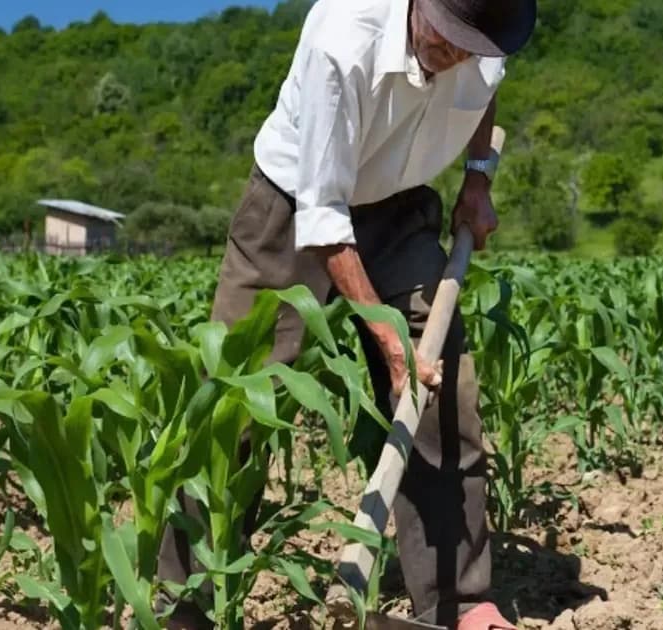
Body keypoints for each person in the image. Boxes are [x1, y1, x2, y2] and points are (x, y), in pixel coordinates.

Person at [154, 0, 537, 628]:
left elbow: (482, 95)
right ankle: (181, 607)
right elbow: (324, 219)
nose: (460, 57)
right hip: (295, 207)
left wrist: (476, 180)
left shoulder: (487, 36)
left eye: (474, 48)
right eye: (448, 40)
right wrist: (386, 340)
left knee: (440, 389)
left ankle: (458, 601)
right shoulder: (343, 37)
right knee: (234, 405)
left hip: (399, 199)